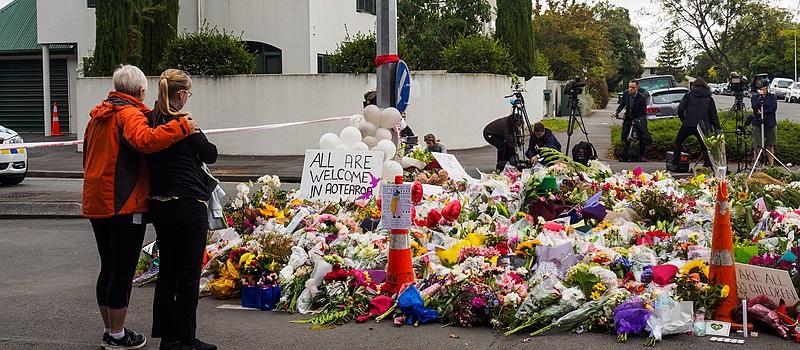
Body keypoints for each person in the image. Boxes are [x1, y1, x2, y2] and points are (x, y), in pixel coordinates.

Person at [83, 65, 196, 350]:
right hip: (123, 202)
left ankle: (110, 329)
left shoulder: (98, 114)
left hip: (97, 200)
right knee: (122, 270)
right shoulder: (129, 114)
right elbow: (144, 141)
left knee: (107, 267)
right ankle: (118, 335)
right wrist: (180, 126)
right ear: (141, 90)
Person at [146, 69, 218, 350]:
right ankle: (187, 338)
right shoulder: (183, 123)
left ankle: (167, 336)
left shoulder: (150, 120)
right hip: (189, 203)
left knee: (168, 271)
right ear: (180, 94)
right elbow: (210, 153)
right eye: (188, 93)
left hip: (160, 204)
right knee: (188, 273)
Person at [670, 78, 720, 171]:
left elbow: (680, 109)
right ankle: (708, 164)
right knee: (705, 145)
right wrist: (717, 128)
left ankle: (676, 163)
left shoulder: (689, 95)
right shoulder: (709, 98)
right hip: (703, 125)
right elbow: (713, 114)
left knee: (678, 141)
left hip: (688, 123)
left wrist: (683, 119)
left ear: (694, 86)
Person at [613, 79, 650, 161]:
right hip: (628, 118)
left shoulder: (642, 97)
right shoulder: (626, 93)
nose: (631, 89)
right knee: (624, 136)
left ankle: (642, 155)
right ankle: (626, 154)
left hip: (639, 118)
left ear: (637, 88)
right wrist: (617, 112)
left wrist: (636, 121)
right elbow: (622, 104)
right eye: (629, 87)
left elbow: (643, 111)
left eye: (633, 87)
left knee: (641, 137)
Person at [751, 84, 778, 166]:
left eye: (764, 88)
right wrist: (760, 98)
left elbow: (773, 108)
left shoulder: (772, 97)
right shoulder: (755, 97)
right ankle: (756, 163)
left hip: (769, 123)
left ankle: (771, 164)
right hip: (758, 123)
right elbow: (754, 107)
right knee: (757, 145)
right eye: (760, 88)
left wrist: (763, 112)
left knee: (770, 144)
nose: (763, 89)